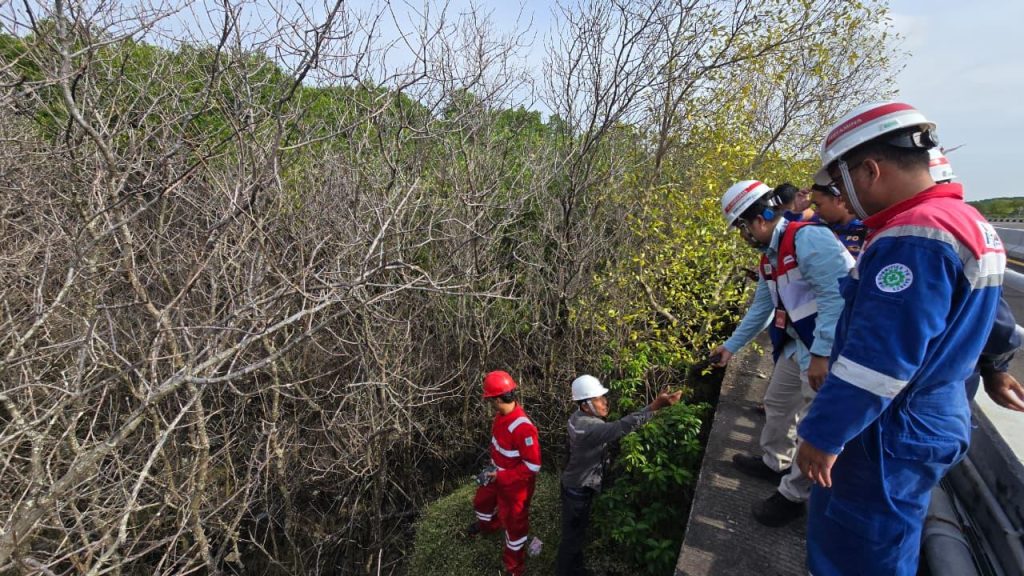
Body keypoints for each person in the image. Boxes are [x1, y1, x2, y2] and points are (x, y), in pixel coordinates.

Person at [795, 101, 1005, 576]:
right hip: (929, 412)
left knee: (858, 552)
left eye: (842, 182)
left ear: (870, 170)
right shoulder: (965, 222)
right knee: (886, 541)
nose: (843, 199)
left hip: (889, 426)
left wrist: (823, 433)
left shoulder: (913, 238)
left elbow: (878, 359)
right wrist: (998, 367)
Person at [711, 180, 854, 527]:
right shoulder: (770, 258)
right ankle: (775, 462)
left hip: (823, 348)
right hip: (797, 343)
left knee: (812, 424)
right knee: (777, 403)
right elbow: (761, 309)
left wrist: (821, 354)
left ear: (760, 218)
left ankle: (792, 496)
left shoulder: (809, 240)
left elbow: (838, 297)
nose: (743, 236)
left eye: (742, 228)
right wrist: (730, 347)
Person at [555, 375, 681, 576]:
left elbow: (618, 425)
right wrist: (655, 406)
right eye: (598, 399)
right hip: (578, 490)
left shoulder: (576, 417)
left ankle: (575, 569)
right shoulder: (589, 429)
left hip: (574, 484)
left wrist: (653, 407)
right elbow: (621, 427)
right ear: (585, 405)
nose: (605, 402)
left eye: (603, 397)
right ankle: (566, 571)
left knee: (575, 533)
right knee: (572, 537)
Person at [468, 370, 542, 576]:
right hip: (496, 475)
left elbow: (533, 466)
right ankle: (489, 526)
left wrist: (502, 476)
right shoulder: (501, 417)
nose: (490, 404)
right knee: (481, 503)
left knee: (515, 527)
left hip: (515, 486)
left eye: (490, 400)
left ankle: (514, 568)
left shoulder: (523, 428)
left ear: (498, 399)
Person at [807, 183, 868, 258]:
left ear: (839, 200)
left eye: (818, 205)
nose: (816, 210)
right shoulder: (821, 225)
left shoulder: (867, 228)